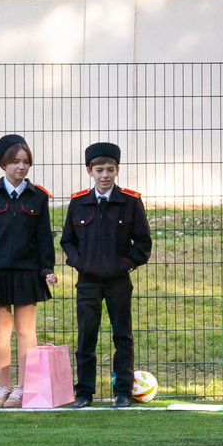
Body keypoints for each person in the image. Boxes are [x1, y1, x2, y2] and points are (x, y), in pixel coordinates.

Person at [64, 142, 152, 409]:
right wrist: (80, 263)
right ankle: (84, 393)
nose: (105, 175)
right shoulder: (79, 202)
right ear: (89, 171)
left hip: (118, 282)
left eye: (110, 169)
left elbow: (143, 242)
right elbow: (68, 241)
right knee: (86, 337)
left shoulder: (130, 201)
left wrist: (126, 265)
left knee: (122, 336)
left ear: (117, 170)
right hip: (88, 281)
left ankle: (123, 391)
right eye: (99, 170)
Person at [0, 134, 54, 407]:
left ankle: (23, 387)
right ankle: (2, 387)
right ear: (2, 164)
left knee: (26, 331)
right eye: (15, 162)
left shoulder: (39, 197)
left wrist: (47, 269)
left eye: (26, 162)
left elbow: (44, 238)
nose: (21, 167)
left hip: (27, 272)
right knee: (0, 331)